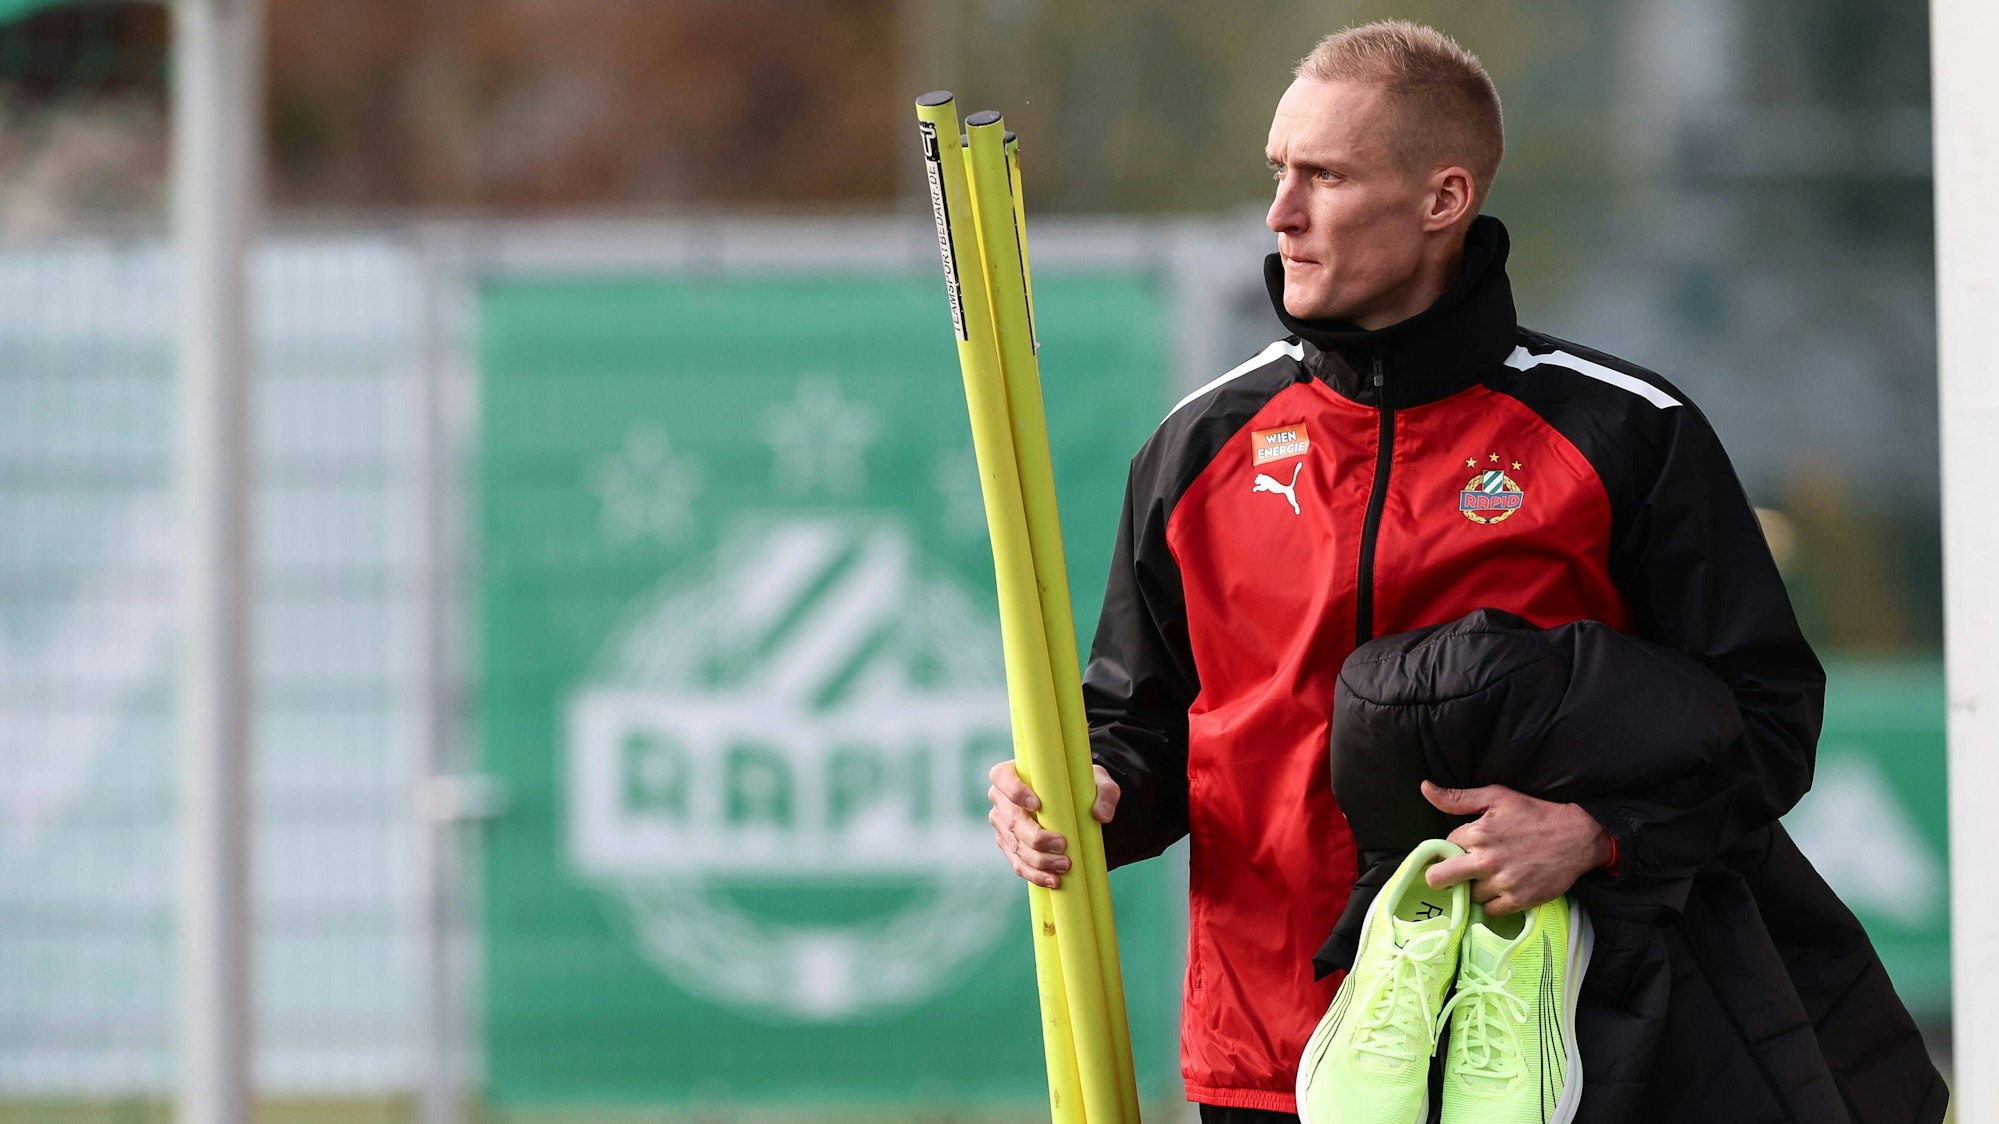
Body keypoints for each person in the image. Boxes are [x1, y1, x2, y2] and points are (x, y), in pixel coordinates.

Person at [986, 19, 1824, 1123]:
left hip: (1539, 1062)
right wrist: (1083, 795)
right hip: (1270, 1055)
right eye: (1277, 172)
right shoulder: (1196, 448)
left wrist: (1594, 834)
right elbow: (1140, 729)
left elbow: (1764, 725)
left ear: (1443, 199)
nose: (1280, 213)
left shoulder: (1627, 436)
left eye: (1323, 176)